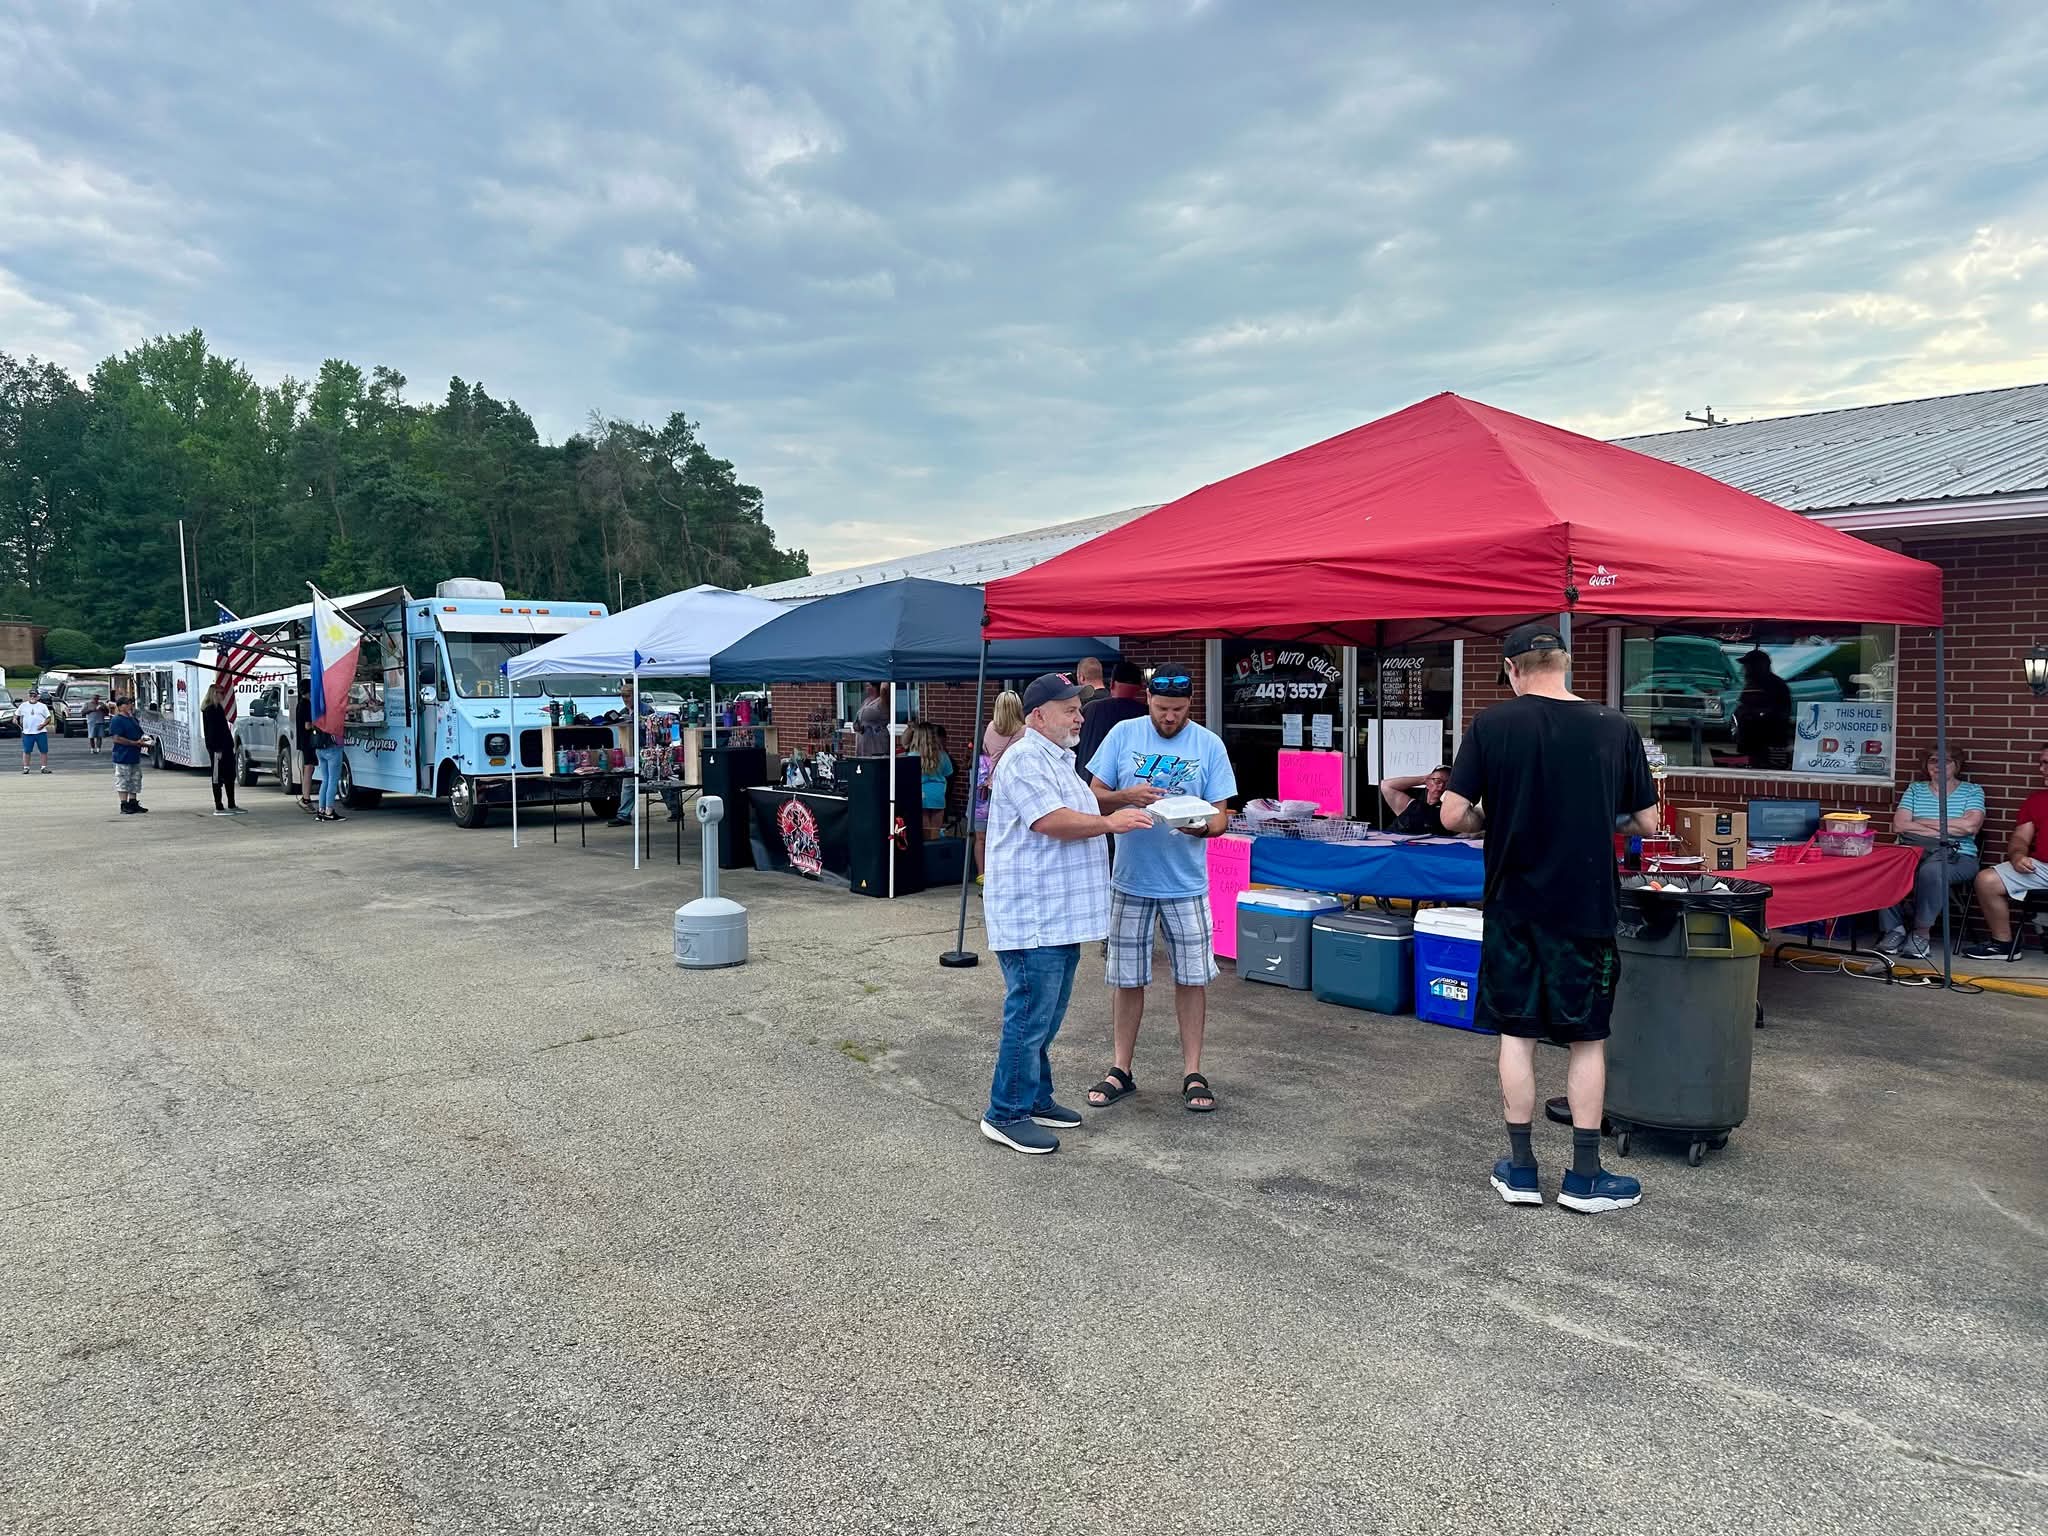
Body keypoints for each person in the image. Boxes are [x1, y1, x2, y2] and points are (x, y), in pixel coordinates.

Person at [1440, 623, 1659, 1214]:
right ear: (1566, 665)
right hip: (1586, 907)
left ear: (1512, 670)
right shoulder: (1614, 726)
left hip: (1513, 905)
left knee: (1519, 1033)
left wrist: (1496, 818)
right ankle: (1585, 1177)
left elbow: (1452, 814)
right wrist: (1594, 816)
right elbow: (1648, 824)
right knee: (1587, 1039)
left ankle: (1521, 1169)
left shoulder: (1491, 724)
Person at [979, 673, 1154, 1154]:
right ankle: (1005, 1112)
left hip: (1058, 915)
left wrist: (1122, 798)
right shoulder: (1025, 760)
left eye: (1079, 707)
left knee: (1046, 1015)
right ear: (1039, 715)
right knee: (1031, 1014)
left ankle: (1034, 1096)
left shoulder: (1056, 758)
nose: (1080, 716)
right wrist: (1110, 822)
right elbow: (1049, 820)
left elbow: (1074, 802)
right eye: (1070, 709)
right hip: (1034, 916)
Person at [1083, 668, 1237, 1114]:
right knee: (1126, 978)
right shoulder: (1122, 733)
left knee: (1192, 977)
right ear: (1147, 698)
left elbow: (1222, 817)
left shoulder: (1208, 744)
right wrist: (1127, 795)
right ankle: (1120, 1068)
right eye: (1161, 708)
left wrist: (1202, 828)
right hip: (1130, 878)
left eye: (1179, 711)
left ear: (1192, 705)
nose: (1169, 718)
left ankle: (1192, 1070)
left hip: (1186, 882)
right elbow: (1094, 795)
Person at [1879, 749, 1985, 962]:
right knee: (1885, 868)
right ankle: (1894, 930)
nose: (1938, 765)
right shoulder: (1915, 789)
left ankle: (1920, 934)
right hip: (1913, 851)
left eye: (1946, 761)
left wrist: (1920, 822)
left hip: (1959, 855)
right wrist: (1948, 828)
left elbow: (1970, 827)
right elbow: (1899, 825)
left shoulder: (1972, 791)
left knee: (1932, 871)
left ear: (1957, 765)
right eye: (1933, 761)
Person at [1965, 743, 2048, 961]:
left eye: (2046, 764)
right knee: (1986, 880)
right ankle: (2002, 944)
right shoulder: (2036, 801)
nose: (2041, 769)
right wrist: (2018, 855)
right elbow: (2020, 838)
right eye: (2041, 763)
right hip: (2042, 868)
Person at [974, 690, 1027, 880]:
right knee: (1012, 835)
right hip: (1014, 788)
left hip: (990, 787)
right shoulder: (1025, 731)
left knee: (986, 836)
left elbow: (986, 752)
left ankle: (985, 875)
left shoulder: (990, 728)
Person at [1074, 660, 1148, 782]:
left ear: (1112, 684)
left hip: (1085, 784)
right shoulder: (1146, 714)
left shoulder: (1091, 709)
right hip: (1126, 790)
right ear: (1140, 688)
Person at [1732, 648, 1795, 770]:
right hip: (1750, 742)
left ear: (1761, 665)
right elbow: (1743, 705)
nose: (1745, 669)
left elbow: (1781, 713)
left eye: (1748, 665)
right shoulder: (1751, 684)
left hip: (1770, 742)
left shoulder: (1777, 685)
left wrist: (1757, 714)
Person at [201, 684, 242, 816]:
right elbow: (213, 731)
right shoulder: (210, 710)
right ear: (214, 694)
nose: (223, 695)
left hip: (226, 746)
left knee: (230, 775)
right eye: (221, 693)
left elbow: (224, 729)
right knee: (217, 777)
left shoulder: (219, 709)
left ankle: (231, 803)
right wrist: (216, 748)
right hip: (217, 748)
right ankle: (219, 806)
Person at [907, 720, 953, 840]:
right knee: (935, 833)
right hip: (938, 794)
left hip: (920, 795)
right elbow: (949, 773)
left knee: (924, 834)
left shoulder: (912, 756)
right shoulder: (942, 755)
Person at [1380, 765, 1453, 835]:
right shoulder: (1412, 803)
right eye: (1437, 781)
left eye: (1447, 783)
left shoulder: (1448, 811)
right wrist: (1423, 779)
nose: (1441, 786)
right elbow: (1385, 785)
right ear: (1427, 783)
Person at [107, 696, 148, 814]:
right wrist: (134, 743)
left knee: (135, 779)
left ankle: (133, 802)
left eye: (131, 703)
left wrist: (144, 741)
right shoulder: (117, 720)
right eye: (127, 704)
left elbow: (139, 733)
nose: (130, 706)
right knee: (123, 779)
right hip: (122, 755)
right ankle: (124, 804)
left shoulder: (133, 719)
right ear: (120, 706)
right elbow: (116, 738)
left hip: (134, 755)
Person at [312, 717, 347, 823]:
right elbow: (344, 710)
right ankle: (329, 811)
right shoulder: (334, 712)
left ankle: (321, 810)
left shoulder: (320, 713)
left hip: (320, 748)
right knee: (333, 780)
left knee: (325, 780)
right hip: (333, 748)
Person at [294, 684, 317, 813]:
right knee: (309, 767)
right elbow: (308, 725)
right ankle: (306, 798)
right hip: (308, 740)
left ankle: (305, 797)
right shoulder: (306, 705)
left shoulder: (300, 704)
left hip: (304, 740)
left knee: (309, 767)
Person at [18, 690, 52, 774]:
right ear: (28, 696)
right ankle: (26, 767)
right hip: (27, 732)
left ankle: (44, 767)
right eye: (31, 696)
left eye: (34, 696)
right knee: (27, 750)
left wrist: (43, 725)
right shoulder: (23, 705)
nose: (32, 697)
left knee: (43, 750)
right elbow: (16, 714)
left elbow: (48, 717)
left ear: (38, 696)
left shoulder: (42, 706)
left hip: (41, 732)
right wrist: (15, 719)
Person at [856, 683, 889, 757]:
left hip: (877, 740)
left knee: (876, 762)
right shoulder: (866, 701)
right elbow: (860, 716)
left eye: (868, 686)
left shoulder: (882, 700)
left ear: (875, 687)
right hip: (863, 740)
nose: (865, 688)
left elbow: (885, 687)